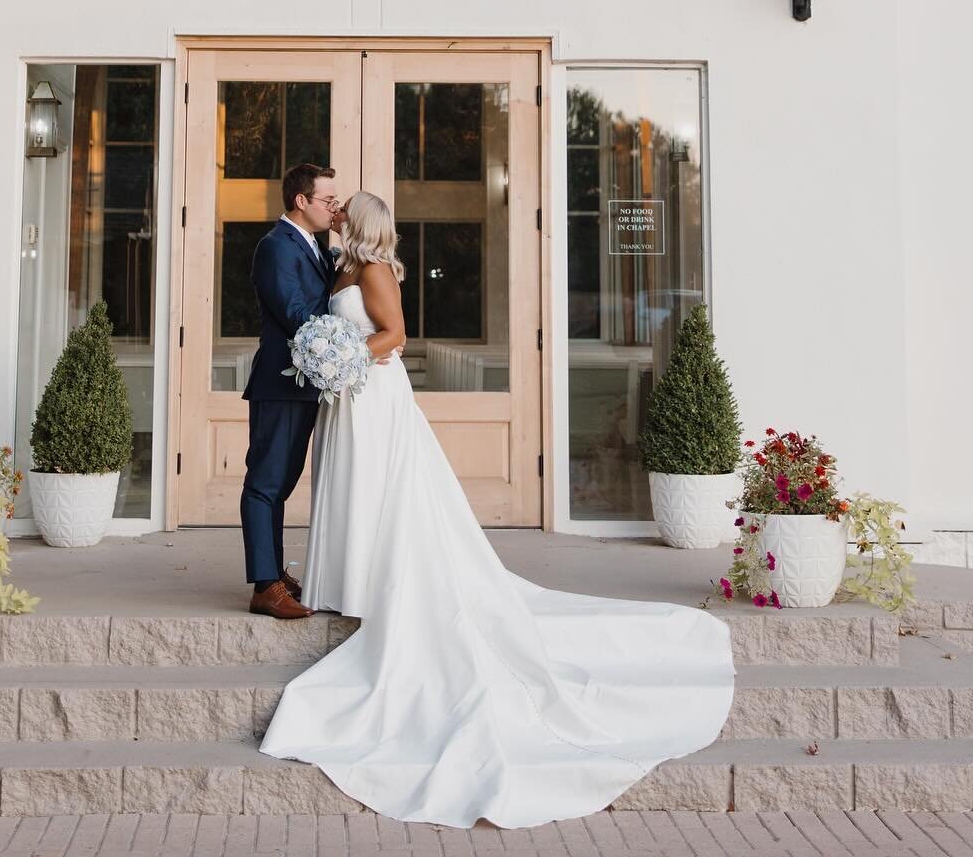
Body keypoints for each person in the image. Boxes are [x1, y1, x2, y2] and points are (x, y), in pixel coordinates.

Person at [259, 191, 737, 828]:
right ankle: (349, 578)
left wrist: (346, 356)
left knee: (383, 490)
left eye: (346, 209)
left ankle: (382, 579)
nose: (337, 213)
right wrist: (331, 358)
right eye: (334, 206)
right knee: (348, 488)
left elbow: (395, 336)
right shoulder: (340, 266)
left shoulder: (374, 270)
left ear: (364, 223)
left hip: (373, 395)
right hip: (346, 397)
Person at [240, 162, 400, 619]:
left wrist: (364, 348)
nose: (334, 207)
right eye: (328, 200)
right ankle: (264, 585)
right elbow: (299, 317)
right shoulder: (276, 248)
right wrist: (358, 349)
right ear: (301, 201)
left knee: (282, 483)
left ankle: (273, 571)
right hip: (281, 384)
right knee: (266, 483)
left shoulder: (316, 247)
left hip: (313, 383)